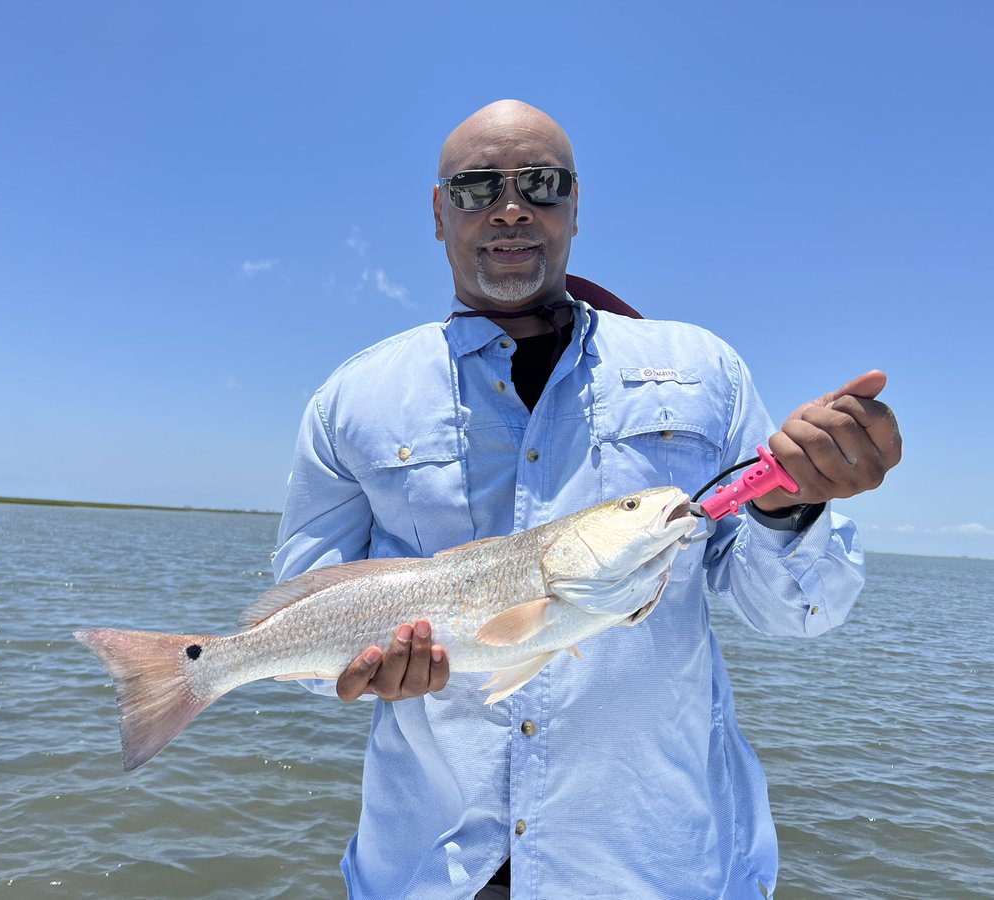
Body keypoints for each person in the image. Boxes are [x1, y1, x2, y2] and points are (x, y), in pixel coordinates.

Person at [272, 100, 902, 899]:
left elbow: (795, 610)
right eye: (475, 188)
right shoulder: (353, 397)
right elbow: (300, 622)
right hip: (430, 870)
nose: (510, 208)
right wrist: (357, 667)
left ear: (576, 205)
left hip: (657, 864)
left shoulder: (702, 369)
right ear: (438, 213)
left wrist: (792, 505)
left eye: (541, 183)